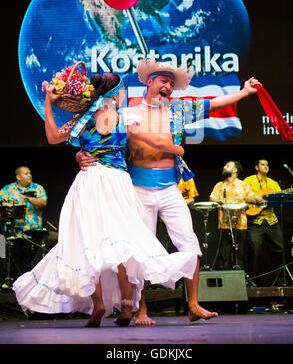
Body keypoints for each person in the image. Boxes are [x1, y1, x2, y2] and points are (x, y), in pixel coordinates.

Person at [77, 58, 263, 325]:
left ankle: (194, 305)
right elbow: (94, 137)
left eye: (172, 84)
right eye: (164, 81)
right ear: (150, 81)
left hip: (170, 189)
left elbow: (214, 104)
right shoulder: (128, 113)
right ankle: (141, 309)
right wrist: (80, 155)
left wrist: (244, 92)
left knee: (190, 244)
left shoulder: (179, 109)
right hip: (137, 189)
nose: (168, 87)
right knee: (138, 250)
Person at [13, 71, 197, 328]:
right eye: (122, 90)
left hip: (89, 181)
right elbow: (151, 140)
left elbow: (53, 137)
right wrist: (176, 149)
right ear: (116, 93)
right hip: (116, 182)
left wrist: (47, 102)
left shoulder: (83, 122)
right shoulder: (124, 118)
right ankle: (125, 305)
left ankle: (98, 303)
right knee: (123, 240)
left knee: (90, 241)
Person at [209, 161, 264, 271]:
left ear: (235, 170)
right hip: (224, 224)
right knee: (224, 255)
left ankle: (241, 278)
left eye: (228, 165)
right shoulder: (219, 185)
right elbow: (212, 198)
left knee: (240, 255)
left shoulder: (243, 185)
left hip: (240, 224)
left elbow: (252, 197)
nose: (224, 167)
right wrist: (221, 200)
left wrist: (250, 199)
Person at [0, 167, 47, 282]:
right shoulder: (7, 189)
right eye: (26, 173)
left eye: (30, 173)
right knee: (13, 261)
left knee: (28, 264)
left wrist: (28, 198)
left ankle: (29, 286)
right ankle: (10, 285)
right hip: (13, 233)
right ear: (18, 177)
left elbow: (42, 202)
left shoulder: (37, 188)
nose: (29, 175)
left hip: (32, 233)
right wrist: (8, 205)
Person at [244, 159, 286, 285]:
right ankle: (254, 281)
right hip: (255, 221)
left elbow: (280, 198)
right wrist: (255, 199)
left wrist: (285, 195)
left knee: (280, 249)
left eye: (267, 164)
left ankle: (279, 280)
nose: (266, 166)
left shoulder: (273, 183)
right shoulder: (249, 180)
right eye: (263, 164)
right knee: (256, 250)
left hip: (271, 220)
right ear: (256, 167)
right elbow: (241, 195)